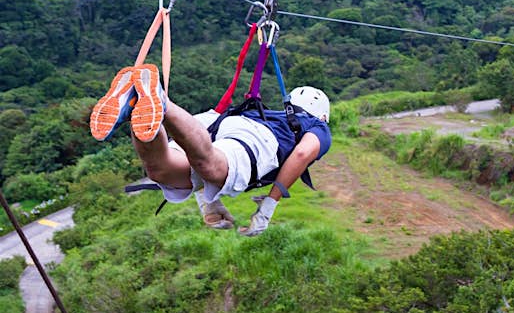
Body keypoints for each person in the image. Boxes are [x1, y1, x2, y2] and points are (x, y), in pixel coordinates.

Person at [89, 63, 332, 236]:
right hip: (255, 138)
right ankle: (162, 103)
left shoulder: (273, 114)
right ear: (322, 114)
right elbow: (302, 153)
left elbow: (204, 159)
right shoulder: (317, 125)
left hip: (217, 123)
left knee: (160, 170)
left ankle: (137, 105)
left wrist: (210, 203)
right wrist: (267, 209)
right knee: (211, 166)